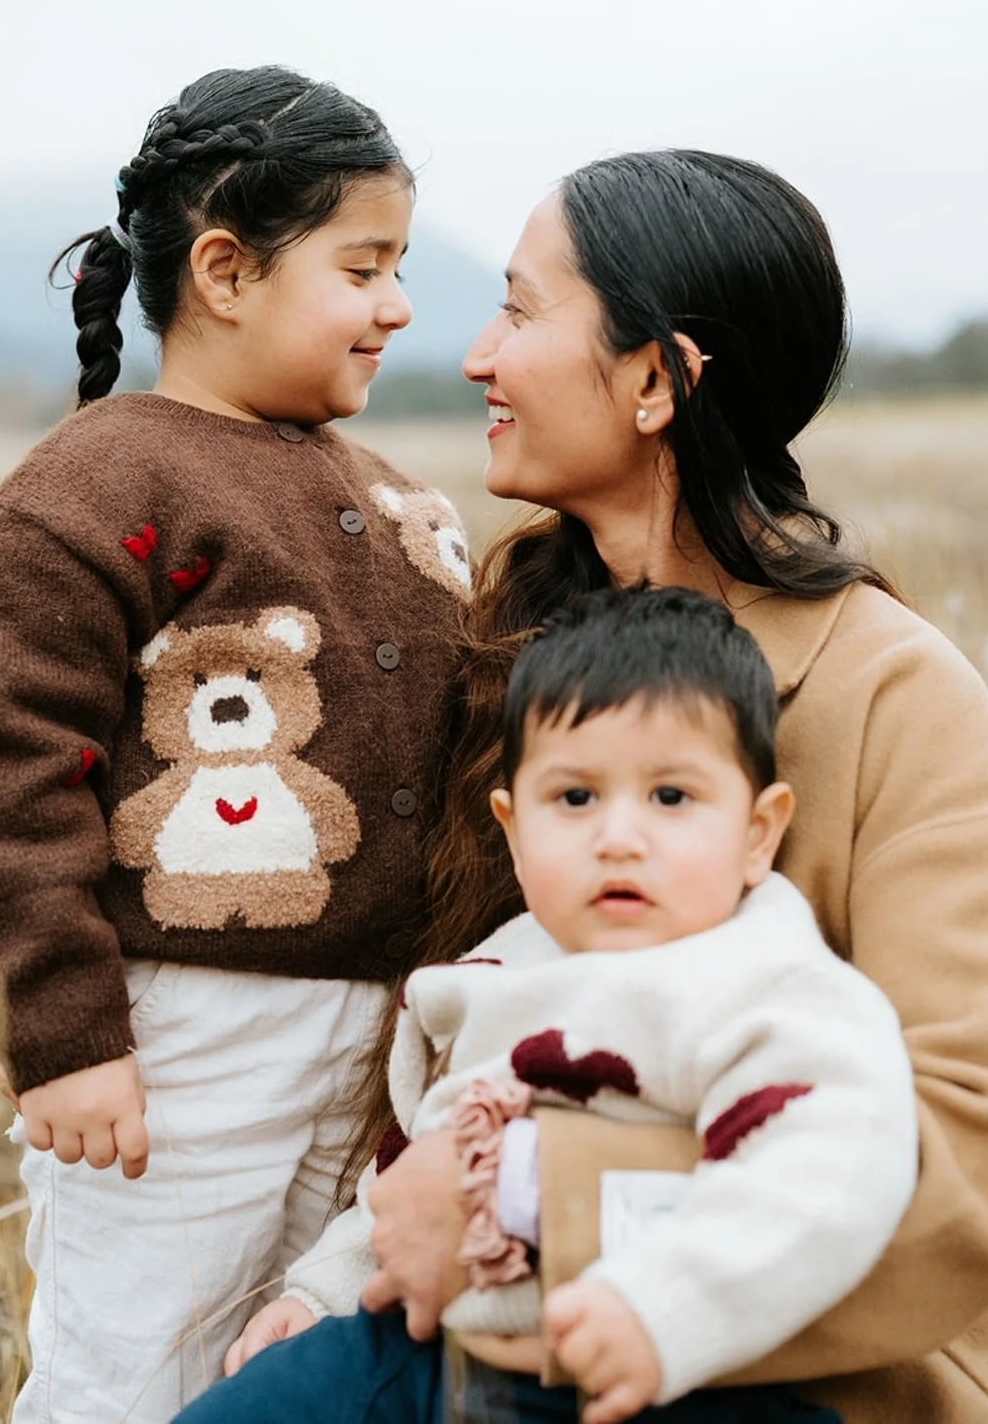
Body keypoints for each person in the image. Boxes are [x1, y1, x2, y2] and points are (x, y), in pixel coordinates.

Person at [319, 151, 988, 1423]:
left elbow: (984, 1157)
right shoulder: (507, 640)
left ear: (654, 380)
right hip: (477, 1333)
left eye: (519, 310)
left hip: (840, 1385)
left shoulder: (898, 694)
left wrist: (523, 1195)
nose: (476, 356)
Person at [0, 66, 474, 1424]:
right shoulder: (89, 491)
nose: (398, 304)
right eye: (365, 266)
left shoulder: (396, 494)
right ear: (226, 269)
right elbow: (5, 776)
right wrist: (62, 1032)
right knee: (135, 1369)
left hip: (382, 1041)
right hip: (176, 1045)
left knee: (305, 1370)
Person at [171, 582, 920, 1424]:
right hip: (433, 1345)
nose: (619, 835)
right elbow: (422, 1163)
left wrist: (664, 1309)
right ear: (516, 831)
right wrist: (324, 1290)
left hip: (662, 1365)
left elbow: (828, 1166)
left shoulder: (764, 978)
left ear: (757, 833)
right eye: (574, 798)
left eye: (671, 797)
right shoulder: (504, 961)